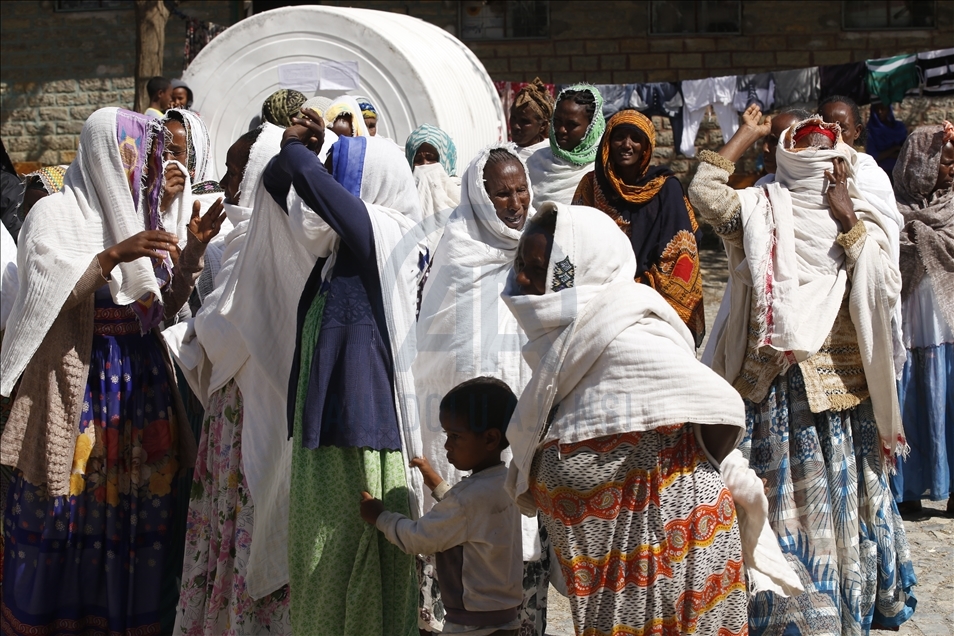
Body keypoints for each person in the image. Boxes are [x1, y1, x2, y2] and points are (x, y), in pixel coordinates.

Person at [689, 107, 917, 634]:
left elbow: (884, 288)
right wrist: (747, 134)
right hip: (775, 391)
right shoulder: (763, 207)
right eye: (805, 151)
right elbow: (703, 190)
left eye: (824, 152)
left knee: (841, 508)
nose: (815, 160)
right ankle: (786, 610)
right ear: (787, 158)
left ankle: (843, 605)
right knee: (778, 503)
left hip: (841, 394)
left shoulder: (863, 213)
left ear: (840, 160)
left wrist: (848, 221)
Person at [0, 107, 225, 634]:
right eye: (139, 161)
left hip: (139, 395)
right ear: (107, 158)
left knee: (136, 516)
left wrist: (191, 250)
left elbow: (160, 311)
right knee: (64, 515)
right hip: (74, 392)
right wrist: (108, 258)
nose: (147, 173)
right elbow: (42, 300)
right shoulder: (54, 214)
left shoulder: (142, 221)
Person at [502, 203, 752, 635]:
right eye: (520, 264)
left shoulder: (625, 336)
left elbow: (722, 408)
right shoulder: (563, 347)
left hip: (678, 556)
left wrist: (672, 479)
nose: (521, 278)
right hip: (610, 580)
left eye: (537, 268)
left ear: (574, 271)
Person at [263, 108, 425, 635]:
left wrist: (302, 153)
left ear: (370, 181)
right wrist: (293, 151)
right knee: (319, 567)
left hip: (364, 441)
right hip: (324, 441)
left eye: (341, 175)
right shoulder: (336, 253)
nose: (330, 188)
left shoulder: (385, 235)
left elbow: (308, 182)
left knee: (358, 564)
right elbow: (278, 184)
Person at [414, 144, 549, 635]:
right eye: (501, 194)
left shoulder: (544, 243)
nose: (515, 202)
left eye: (520, 190)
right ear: (479, 196)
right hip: (475, 423)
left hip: (529, 408)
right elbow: (446, 342)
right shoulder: (460, 247)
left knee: (525, 536)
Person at [169, 123, 293, 634]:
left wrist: (188, 333)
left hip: (256, 417)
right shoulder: (244, 236)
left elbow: (234, 329)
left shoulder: (278, 240)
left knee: (254, 528)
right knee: (229, 530)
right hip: (232, 420)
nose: (228, 177)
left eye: (240, 167)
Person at [361, 377, 524, 636]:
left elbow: (418, 538)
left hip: (472, 626)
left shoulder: (468, 499)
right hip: (504, 619)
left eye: (456, 436)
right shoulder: (504, 483)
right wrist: (434, 481)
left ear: (491, 438)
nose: (447, 445)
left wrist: (380, 516)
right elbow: (470, 518)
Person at [572, 109, 706, 346]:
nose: (627, 145)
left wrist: (642, 291)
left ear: (647, 146)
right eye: (619, 137)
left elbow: (682, 250)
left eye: (635, 138)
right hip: (600, 294)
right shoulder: (591, 185)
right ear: (607, 143)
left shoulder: (667, 188)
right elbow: (576, 242)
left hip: (653, 295)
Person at [890, 122, 954, 516]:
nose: (951, 170)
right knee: (910, 402)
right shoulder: (888, 206)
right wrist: (912, 235)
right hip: (909, 328)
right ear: (920, 162)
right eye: (945, 162)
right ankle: (908, 487)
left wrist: (921, 236)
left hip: (947, 329)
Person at [525, 84, 604, 210]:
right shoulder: (534, 162)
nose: (561, 130)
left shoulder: (601, 169)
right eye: (557, 121)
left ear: (591, 127)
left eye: (571, 124)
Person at [405, 123, 460, 259]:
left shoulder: (463, 195)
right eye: (418, 160)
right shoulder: (403, 199)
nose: (425, 165)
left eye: (431, 159)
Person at [509, 78, 553, 161]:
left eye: (524, 121)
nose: (515, 126)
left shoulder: (551, 157)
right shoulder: (503, 155)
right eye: (513, 118)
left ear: (543, 126)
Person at [866, 102, 908, 181]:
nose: (880, 112)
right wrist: (895, 149)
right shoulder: (870, 131)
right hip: (880, 173)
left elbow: (905, 153)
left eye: (883, 109)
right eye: (877, 109)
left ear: (889, 110)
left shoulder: (899, 128)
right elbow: (874, 156)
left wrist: (886, 154)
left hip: (900, 171)